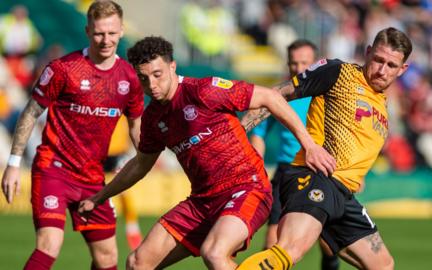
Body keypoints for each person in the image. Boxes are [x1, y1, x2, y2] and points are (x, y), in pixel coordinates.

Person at [78, 35, 335, 270]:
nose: (152, 85)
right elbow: (140, 165)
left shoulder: (203, 90)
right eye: (144, 78)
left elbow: (270, 97)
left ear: (172, 67)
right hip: (202, 202)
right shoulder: (153, 119)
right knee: (137, 262)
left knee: (214, 252)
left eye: (157, 75)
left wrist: (309, 146)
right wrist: (100, 197)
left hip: (246, 188)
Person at [237, 27, 411, 270]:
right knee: (288, 251)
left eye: (391, 65)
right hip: (315, 177)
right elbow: (277, 95)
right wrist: (237, 131)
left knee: (383, 265)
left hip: (343, 193)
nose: (382, 70)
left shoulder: (381, 104)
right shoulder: (339, 72)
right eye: (378, 60)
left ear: (403, 69)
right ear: (368, 52)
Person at [1, 1, 144, 269]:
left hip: (92, 178)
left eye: (112, 33)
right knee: (49, 245)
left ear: (122, 31)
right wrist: (12, 164)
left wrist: (147, 158)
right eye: (99, 33)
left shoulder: (129, 78)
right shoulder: (63, 69)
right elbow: (30, 112)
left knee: (107, 257)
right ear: (87, 30)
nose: (106, 40)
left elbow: (136, 126)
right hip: (53, 169)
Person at [250, 39, 339, 270]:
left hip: (321, 171)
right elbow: (258, 133)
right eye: (293, 63)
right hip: (286, 171)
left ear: (316, 63)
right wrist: (256, 167)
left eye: (304, 63)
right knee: (273, 244)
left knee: (328, 243)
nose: (299, 69)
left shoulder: (328, 95)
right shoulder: (278, 95)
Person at [104, 115, 142, 251]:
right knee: (91, 188)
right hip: (99, 150)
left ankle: (132, 227)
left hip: (118, 152)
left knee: (124, 189)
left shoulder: (124, 99)